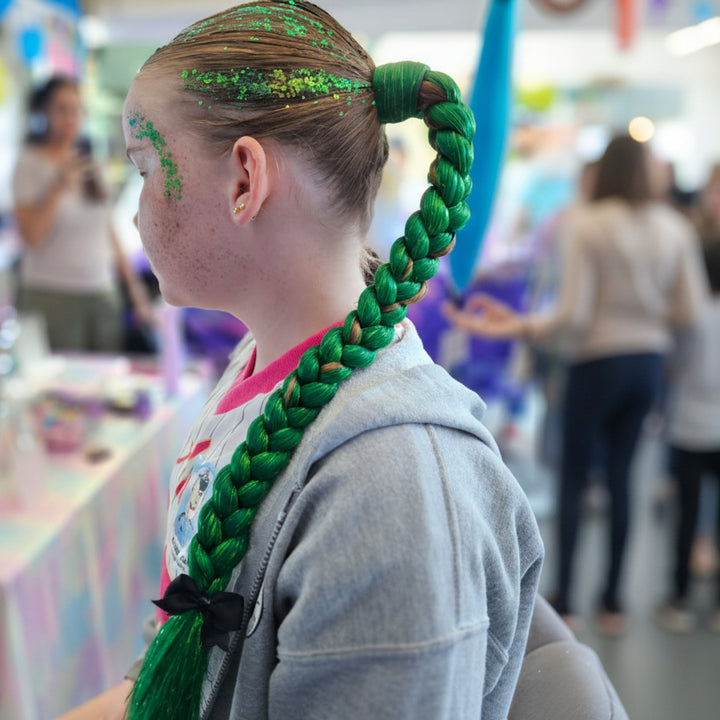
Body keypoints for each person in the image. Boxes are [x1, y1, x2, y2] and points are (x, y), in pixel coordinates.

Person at [56, 2, 544, 719]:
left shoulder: (392, 488)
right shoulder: (264, 366)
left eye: (147, 166)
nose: (136, 210)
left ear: (243, 181)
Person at [445, 134, 708, 635]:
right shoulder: (673, 227)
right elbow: (690, 311)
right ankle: (614, 603)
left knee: (572, 479)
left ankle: (565, 597)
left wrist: (520, 327)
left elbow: (574, 313)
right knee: (622, 478)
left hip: (594, 364)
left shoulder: (583, 222)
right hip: (646, 365)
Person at [13, 75, 151, 353]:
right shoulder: (29, 164)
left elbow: (108, 231)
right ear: (44, 113)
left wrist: (135, 292)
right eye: (61, 109)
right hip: (52, 295)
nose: (70, 117)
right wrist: (57, 186)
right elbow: (32, 237)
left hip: (102, 293)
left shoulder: (91, 162)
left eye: (76, 109)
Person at [654, 240, 720, 634]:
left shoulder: (693, 317)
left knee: (688, 516)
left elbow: (673, 366)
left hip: (689, 428)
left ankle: (679, 598)